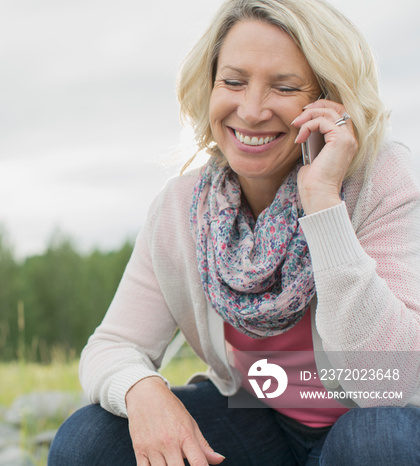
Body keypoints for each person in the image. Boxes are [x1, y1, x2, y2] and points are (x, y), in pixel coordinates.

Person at [47, 0, 420, 464]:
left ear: (328, 99)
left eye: (283, 87)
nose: (251, 109)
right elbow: (113, 346)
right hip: (258, 425)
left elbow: (395, 379)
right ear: (209, 86)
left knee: (380, 442)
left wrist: (323, 204)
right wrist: (143, 391)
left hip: (365, 424)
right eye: (234, 81)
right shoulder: (183, 206)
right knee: (89, 440)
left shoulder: (380, 179)